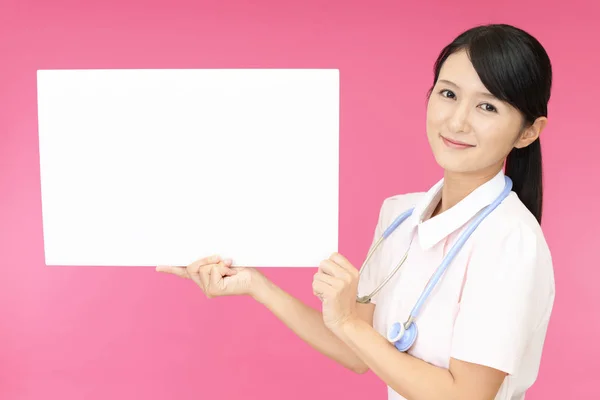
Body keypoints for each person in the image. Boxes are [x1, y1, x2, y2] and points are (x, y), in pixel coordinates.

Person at [156, 23, 555, 400]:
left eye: (487, 106)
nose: (456, 120)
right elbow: (355, 350)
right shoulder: (400, 215)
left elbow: (466, 395)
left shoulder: (510, 239)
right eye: (448, 94)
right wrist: (256, 285)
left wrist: (348, 322)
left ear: (527, 131)